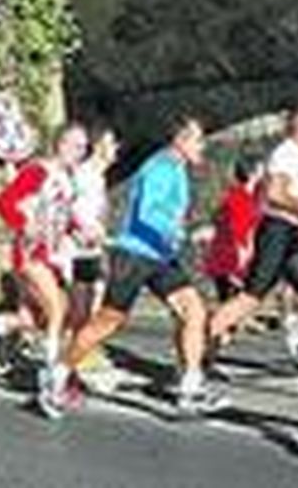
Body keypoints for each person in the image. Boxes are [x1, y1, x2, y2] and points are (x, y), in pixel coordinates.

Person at [38, 116, 227, 419]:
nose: (202, 146)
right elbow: (147, 212)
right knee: (108, 322)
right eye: (197, 139)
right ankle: (57, 374)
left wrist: (184, 234)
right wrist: (178, 232)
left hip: (160, 256)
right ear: (179, 140)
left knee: (193, 310)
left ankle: (191, 388)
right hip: (135, 254)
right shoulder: (160, 166)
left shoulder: (177, 169)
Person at [0, 125, 87, 399]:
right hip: (30, 253)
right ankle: (51, 382)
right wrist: (24, 224)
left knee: (28, 319)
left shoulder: (68, 178)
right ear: (59, 144)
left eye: (84, 148)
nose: (80, 153)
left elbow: (61, 215)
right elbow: (4, 202)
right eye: (75, 146)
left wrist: (80, 229)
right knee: (58, 308)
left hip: (52, 255)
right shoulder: (38, 171)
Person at [207, 110, 298, 380]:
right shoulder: (286, 154)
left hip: (290, 234)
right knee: (249, 300)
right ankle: (199, 351)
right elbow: (274, 194)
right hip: (276, 232)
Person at [67, 128, 118, 334]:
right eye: (111, 143)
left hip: (93, 246)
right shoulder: (83, 173)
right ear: (98, 146)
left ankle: (79, 346)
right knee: (81, 300)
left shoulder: (99, 177)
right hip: (77, 245)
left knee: (93, 295)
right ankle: (69, 350)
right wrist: (79, 229)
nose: (116, 149)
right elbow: (66, 203)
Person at [203, 157, 263, 308]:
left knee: (231, 302)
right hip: (230, 256)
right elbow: (238, 229)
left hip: (232, 255)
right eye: (261, 169)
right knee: (230, 303)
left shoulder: (252, 197)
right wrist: (242, 252)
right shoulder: (239, 197)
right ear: (252, 173)